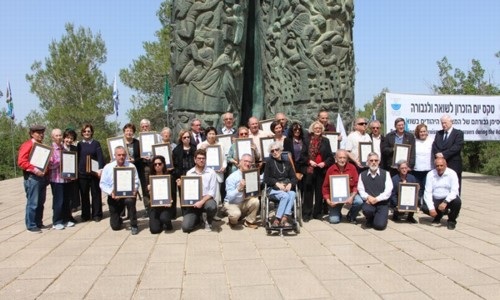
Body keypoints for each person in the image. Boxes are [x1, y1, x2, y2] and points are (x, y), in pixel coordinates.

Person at [99, 146, 140, 235]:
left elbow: (136, 181)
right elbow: (102, 184)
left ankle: (134, 224)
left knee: (130, 201)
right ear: (115, 155)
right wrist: (111, 192)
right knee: (115, 226)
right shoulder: (108, 167)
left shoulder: (131, 166)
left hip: (127, 195)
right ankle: (119, 219)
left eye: (123, 155)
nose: (121, 157)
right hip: (114, 197)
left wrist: (134, 189)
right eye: (119, 155)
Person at [18, 124, 49, 233]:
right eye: (38, 132)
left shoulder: (42, 146)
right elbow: (22, 161)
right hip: (32, 177)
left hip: (42, 178)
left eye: (42, 132)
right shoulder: (27, 145)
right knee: (33, 202)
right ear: (32, 133)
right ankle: (31, 225)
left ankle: (38, 222)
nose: (41, 134)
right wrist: (35, 170)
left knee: (41, 202)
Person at [179, 149, 218, 233]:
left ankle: (208, 220)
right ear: (195, 159)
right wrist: (181, 186)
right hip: (193, 203)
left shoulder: (211, 173)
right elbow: (187, 191)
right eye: (199, 158)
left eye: (203, 158)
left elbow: (212, 192)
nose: (201, 160)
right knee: (186, 228)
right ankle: (198, 218)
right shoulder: (189, 173)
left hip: (207, 200)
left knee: (212, 206)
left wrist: (202, 202)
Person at [302, 121, 333, 221]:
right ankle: (307, 213)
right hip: (310, 169)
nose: (318, 130)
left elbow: (330, 157)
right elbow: (302, 156)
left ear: (322, 129)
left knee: (319, 192)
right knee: (308, 192)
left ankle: (317, 213)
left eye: (319, 128)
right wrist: (309, 161)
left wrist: (324, 163)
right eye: (316, 128)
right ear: (312, 129)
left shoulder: (326, 141)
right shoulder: (306, 140)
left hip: (321, 170)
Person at [322, 149, 363, 224]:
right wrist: (328, 201)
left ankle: (351, 215)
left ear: (347, 159)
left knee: (359, 201)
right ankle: (338, 213)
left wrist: (352, 196)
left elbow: (356, 185)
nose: (342, 160)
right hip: (334, 197)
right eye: (340, 158)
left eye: (344, 158)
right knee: (334, 220)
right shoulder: (330, 170)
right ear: (336, 158)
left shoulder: (352, 168)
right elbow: (325, 187)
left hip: (350, 194)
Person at [421, 157, 461, 230]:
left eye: (441, 165)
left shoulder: (452, 173)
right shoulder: (430, 174)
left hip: (448, 198)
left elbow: (454, 190)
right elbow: (428, 192)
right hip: (436, 198)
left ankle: (452, 221)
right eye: (437, 166)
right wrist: (431, 208)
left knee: (457, 202)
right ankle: (438, 215)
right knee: (425, 207)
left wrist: (445, 202)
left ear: (446, 165)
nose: (439, 167)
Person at [263, 142, 297, 227]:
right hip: (273, 189)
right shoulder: (269, 162)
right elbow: (266, 179)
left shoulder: (287, 163)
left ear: (281, 150)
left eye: (276, 150)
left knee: (293, 193)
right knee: (285, 196)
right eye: (272, 151)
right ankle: (277, 219)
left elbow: (294, 177)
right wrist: (276, 183)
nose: (274, 152)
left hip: (286, 187)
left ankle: (284, 218)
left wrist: (290, 184)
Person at [358, 152, 393, 230]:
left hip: (382, 204)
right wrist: (368, 197)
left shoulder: (386, 174)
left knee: (379, 226)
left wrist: (377, 199)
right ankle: (370, 218)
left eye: (376, 160)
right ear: (367, 162)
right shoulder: (362, 175)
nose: (373, 162)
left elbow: (388, 191)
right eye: (371, 160)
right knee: (366, 210)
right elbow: (361, 190)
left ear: (379, 161)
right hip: (369, 203)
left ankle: (380, 217)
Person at [224, 153, 260, 229]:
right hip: (232, 203)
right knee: (235, 214)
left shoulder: (251, 174)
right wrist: (238, 189)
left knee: (256, 201)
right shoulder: (232, 177)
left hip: (244, 201)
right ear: (240, 162)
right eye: (245, 161)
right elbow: (229, 197)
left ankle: (248, 221)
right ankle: (232, 220)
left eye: (250, 162)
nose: (248, 164)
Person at [77, 123, 105, 222]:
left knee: (96, 194)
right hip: (82, 174)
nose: (87, 133)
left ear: (92, 132)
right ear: (82, 133)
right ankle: (85, 215)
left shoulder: (96, 143)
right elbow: (76, 158)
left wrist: (100, 169)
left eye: (89, 131)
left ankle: (97, 214)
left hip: (94, 174)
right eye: (85, 131)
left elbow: (100, 157)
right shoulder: (79, 144)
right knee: (84, 195)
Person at [432, 114, 464, 193]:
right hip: (440, 165)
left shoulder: (458, 133)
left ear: (451, 122)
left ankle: (455, 202)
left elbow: (456, 147)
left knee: (454, 185)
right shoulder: (439, 133)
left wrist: (443, 154)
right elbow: (434, 145)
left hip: (453, 164)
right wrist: (437, 155)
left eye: (445, 123)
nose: (443, 125)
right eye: (442, 123)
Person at [172, 129, 197, 218]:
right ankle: (185, 213)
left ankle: (194, 212)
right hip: (181, 175)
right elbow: (174, 165)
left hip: (193, 175)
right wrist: (177, 178)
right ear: (181, 139)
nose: (186, 139)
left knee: (193, 194)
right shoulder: (176, 150)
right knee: (183, 195)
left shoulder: (194, 148)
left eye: (188, 137)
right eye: (184, 137)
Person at [148, 155, 174, 233]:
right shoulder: (150, 178)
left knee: (164, 218)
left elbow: (172, 194)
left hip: (166, 206)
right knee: (154, 230)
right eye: (155, 164)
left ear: (163, 164)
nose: (157, 166)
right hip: (154, 207)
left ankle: (168, 224)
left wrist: (170, 201)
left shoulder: (169, 177)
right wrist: (149, 191)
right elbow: (147, 196)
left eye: (160, 164)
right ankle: (159, 222)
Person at [48, 129, 67, 230]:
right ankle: (57, 221)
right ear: (52, 137)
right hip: (56, 179)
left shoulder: (63, 147)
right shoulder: (50, 149)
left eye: (60, 135)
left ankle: (64, 219)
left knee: (65, 200)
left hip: (65, 179)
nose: (59, 137)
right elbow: (50, 165)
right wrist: (62, 159)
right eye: (57, 136)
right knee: (58, 201)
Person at [62, 128, 79, 224]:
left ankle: (69, 216)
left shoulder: (75, 149)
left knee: (71, 198)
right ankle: (62, 217)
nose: (69, 140)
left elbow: (77, 162)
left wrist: (75, 174)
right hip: (61, 178)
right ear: (64, 138)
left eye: (71, 138)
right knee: (62, 198)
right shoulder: (60, 148)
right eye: (67, 138)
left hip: (72, 178)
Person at [412, 123, 434, 200]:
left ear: (427, 132)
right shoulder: (414, 141)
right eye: (421, 132)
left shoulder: (432, 141)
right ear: (418, 132)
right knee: (417, 189)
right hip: (416, 170)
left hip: (428, 169)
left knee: (427, 188)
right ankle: (417, 204)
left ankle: (425, 204)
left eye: (424, 131)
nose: (423, 133)